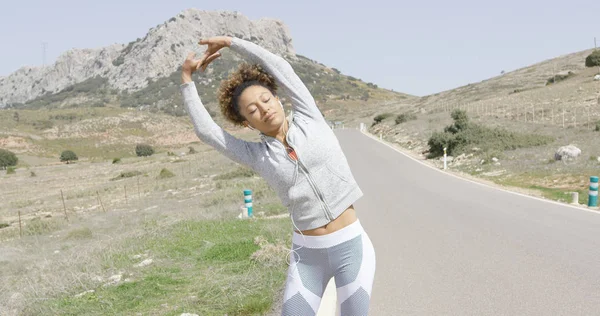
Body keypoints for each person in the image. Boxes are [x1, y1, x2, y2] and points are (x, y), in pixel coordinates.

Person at [180, 36, 376, 315]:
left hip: (351, 247)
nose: (263, 108)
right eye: (252, 110)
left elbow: (278, 65)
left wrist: (230, 42)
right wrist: (186, 77)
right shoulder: (256, 156)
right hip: (307, 257)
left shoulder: (310, 117)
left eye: (266, 99)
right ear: (247, 123)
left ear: (278, 98)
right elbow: (207, 132)